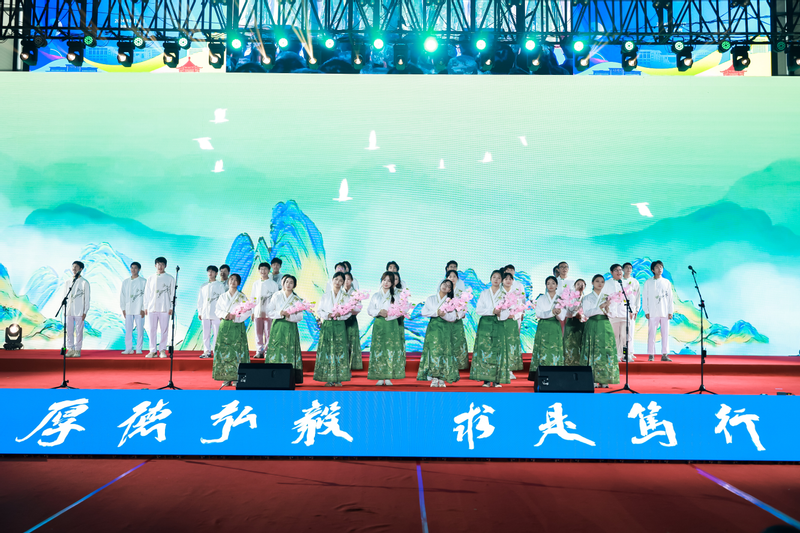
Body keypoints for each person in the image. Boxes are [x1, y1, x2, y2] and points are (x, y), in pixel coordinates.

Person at [417, 280, 459, 387]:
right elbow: (424, 312)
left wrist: (444, 315)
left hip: (445, 328)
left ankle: (442, 378)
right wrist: (436, 313)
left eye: (448, 286)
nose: (445, 286)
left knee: (445, 351)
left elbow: (453, 317)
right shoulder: (431, 299)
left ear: (450, 290)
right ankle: (434, 377)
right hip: (434, 328)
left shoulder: (450, 302)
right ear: (440, 285)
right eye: (444, 284)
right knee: (434, 351)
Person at [580, 274, 620, 388]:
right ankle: (592, 378)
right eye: (597, 281)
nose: (600, 283)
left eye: (602, 281)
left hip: (605, 325)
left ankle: (604, 378)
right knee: (592, 350)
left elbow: (613, 314)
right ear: (592, 283)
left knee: (605, 350)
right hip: (592, 324)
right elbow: (587, 313)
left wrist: (607, 309)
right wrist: (601, 307)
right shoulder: (587, 297)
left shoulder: (608, 297)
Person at [470, 270, 508, 387]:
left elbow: (507, 311)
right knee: (485, 350)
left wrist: (500, 314)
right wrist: (492, 311)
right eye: (494, 277)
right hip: (485, 323)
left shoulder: (504, 294)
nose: (496, 279)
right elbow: (478, 310)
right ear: (490, 279)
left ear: (501, 280)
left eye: (498, 278)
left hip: (498, 323)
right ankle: (485, 379)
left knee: (498, 349)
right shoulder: (484, 293)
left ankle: (497, 379)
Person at [367, 272, 406, 385]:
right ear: (381, 281)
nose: (386, 283)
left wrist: (388, 314)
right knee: (379, 349)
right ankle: (380, 377)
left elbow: (400, 311)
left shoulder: (396, 296)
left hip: (391, 324)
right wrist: (379, 312)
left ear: (393, 283)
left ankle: (388, 377)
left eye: (389, 281)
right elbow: (370, 310)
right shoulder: (376, 295)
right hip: (379, 324)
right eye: (384, 280)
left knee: (390, 349)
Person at [213, 274, 252, 388]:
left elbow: (248, 311)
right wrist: (225, 314)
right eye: (231, 280)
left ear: (238, 283)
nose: (233, 282)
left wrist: (236, 317)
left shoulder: (242, 297)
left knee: (237, 350)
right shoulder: (223, 296)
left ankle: (236, 376)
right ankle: (226, 376)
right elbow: (217, 310)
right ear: (228, 282)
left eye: (235, 280)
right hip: (225, 325)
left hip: (237, 325)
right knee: (225, 350)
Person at [314, 272, 352, 386]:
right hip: (328, 325)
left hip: (340, 325)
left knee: (339, 350)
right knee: (327, 350)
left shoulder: (345, 296)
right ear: (332, 280)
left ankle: (339, 378)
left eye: (341, 281)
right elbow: (319, 310)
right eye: (336, 279)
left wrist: (341, 315)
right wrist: (328, 315)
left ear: (343, 283)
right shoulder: (325, 295)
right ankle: (328, 378)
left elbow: (349, 312)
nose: (338, 282)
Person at [265, 275, 305, 382]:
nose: (288, 284)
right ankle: (273, 375)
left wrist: (289, 316)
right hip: (278, 326)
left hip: (290, 327)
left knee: (289, 349)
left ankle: (289, 376)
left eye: (291, 282)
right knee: (277, 348)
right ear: (283, 283)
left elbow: (300, 316)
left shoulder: (296, 299)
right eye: (287, 282)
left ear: (294, 285)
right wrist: (280, 313)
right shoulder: (277, 295)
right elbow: (269, 311)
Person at [529, 276, 564, 376]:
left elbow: (562, 317)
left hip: (555, 326)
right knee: (543, 348)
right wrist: (551, 312)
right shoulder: (541, 298)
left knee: (554, 348)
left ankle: (555, 373)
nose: (551, 285)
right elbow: (538, 314)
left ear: (557, 285)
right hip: (543, 326)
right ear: (546, 286)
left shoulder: (560, 299)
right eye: (548, 283)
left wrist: (558, 313)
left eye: (553, 283)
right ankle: (541, 373)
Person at [642, 260, 674, 362]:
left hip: (664, 311)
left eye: (661, 267)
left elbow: (670, 298)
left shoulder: (666, 282)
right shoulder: (648, 282)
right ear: (652, 270)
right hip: (652, 311)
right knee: (652, 333)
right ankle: (651, 354)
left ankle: (665, 354)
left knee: (665, 333)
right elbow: (645, 297)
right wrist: (646, 310)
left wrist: (670, 311)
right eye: (657, 267)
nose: (660, 269)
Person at [144, 257, 175, 358]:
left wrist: (171, 307)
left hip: (165, 307)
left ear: (165, 266)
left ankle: (162, 350)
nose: (160, 266)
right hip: (152, 307)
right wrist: (145, 306)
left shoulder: (170, 278)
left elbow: (173, 294)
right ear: (155, 265)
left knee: (164, 330)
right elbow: (147, 293)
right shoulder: (150, 278)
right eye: (158, 264)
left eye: (162, 264)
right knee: (152, 329)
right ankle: (152, 351)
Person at [602, 263, 633, 362]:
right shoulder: (607, 284)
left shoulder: (626, 283)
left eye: (620, 270)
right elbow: (603, 297)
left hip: (624, 313)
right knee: (615, 336)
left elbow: (631, 298)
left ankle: (626, 355)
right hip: (612, 314)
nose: (619, 272)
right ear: (611, 272)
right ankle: (616, 355)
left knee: (625, 336)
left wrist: (631, 310)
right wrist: (605, 309)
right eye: (616, 270)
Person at [251, 262, 279, 359]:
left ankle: (267, 351)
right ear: (259, 271)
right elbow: (253, 298)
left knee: (268, 333)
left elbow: (276, 300)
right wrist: (252, 312)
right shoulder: (256, 284)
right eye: (261, 269)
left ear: (269, 270)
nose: (263, 271)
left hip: (269, 313)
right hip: (257, 311)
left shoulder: (273, 284)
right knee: (258, 333)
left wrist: (274, 312)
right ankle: (259, 351)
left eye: (265, 269)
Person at [197, 265, 226, 359]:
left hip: (216, 314)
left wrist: (222, 313)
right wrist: (200, 312)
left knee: (217, 334)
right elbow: (200, 300)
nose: (210, 273)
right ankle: (206, 351)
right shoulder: (203, 286)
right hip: (205, 313)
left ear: (216, 273)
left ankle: (216, 351)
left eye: (212, 271)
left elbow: (223, 300)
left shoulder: (220, 285)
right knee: (206, 334)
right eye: (209, 271)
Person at [63, 261, 91, 358]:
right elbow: (64, 296)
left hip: (79, 311)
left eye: (76, 267)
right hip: (69, 310)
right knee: (69, 330)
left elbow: (87, 298)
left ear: (81, 269)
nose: (74, 269)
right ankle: (70, 349)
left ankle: (78, 350)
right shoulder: (68, 281)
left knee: (79, 331)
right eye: (73, 267)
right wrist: (64, 310)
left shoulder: (84, 282)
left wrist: (85, 311)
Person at [499, 271, 524, 378]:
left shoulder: (516, 294)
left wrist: (514, 315)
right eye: (506, 279)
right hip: (501, 322)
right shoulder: (498, 293)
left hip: (512, 322)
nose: (508, 281)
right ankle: (500, 369)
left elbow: (520, 308)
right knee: (501, 344)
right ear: (502, 280)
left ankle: (509, 370)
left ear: (513, 281)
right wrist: (504, 314)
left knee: (511, 345)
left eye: (510, 279)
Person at [119, 261, 146, 355]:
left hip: (139, 309)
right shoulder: (126, 282)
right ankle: (128, 348)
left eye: (135, 268)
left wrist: (143, 308)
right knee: (128, 329)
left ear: (139, 269)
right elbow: (122, 296)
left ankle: (139, 348)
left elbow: (146, 296)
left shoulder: (143, 281)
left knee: (140, 329)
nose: (133, 270)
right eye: (132, 268)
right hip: (128, 309)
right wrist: (123, 308)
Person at [446, 269, 469, 370]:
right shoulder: (444, 290)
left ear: (457, 278)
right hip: (446, 319)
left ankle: (458, 364)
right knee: (447, 340)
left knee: (458, 340)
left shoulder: (461, 292)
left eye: (454, 276)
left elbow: (464, 305)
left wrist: (459, 314)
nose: (452, 278)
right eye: (450, 276)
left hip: (457, 319)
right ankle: (447, 363)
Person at [563, 279, 586, 366]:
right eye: (578, 284)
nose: (580, 286)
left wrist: (581, 316)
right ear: (574, 286)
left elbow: (587, 311)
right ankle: (569, 363)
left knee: (580, 343)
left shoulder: (586, 298)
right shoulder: (569, 297)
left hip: (582, 323)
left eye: (582, 284)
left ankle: (580, 364)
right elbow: (567, 311)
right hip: (571, 322)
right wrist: (575, 314)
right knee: (570, 343)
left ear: (585, 287)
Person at [343, 272, 363, 370]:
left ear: (351, 280)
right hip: (341, 320)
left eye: (348, 279)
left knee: (351, 342)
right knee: (342, 342)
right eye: (344, 279)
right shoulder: (339, 292)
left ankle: (351, 365)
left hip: (351, 319)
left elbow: (359, 307)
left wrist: (350, 309)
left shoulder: (355, 293)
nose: (346, 281)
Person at [622, 262, 641, 362]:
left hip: (632, 310)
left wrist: (636, 309)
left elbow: (637, 296)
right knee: (622, 333)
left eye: (630, 268)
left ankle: (630, 352)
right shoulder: (619, 281)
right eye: (626, 268)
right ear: (623, 269)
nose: (628, 269)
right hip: (621, 310)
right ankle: (623, 353)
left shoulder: (635, 282)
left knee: (630, 332)